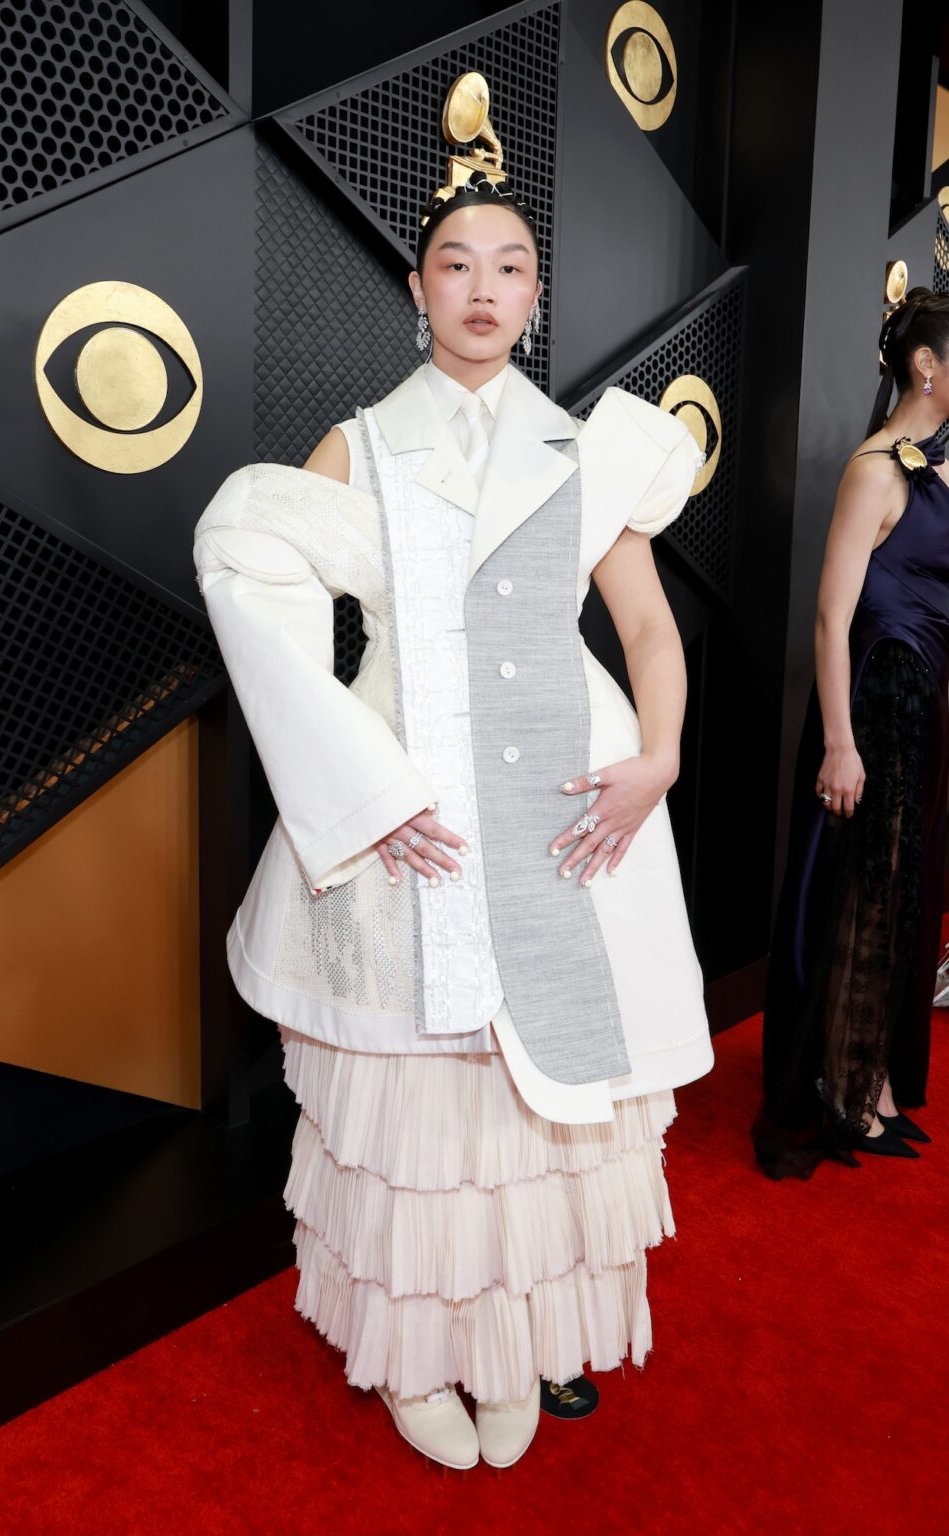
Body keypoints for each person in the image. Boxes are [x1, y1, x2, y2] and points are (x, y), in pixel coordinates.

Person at [193, 100, 713, 1470]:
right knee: (419, 1105)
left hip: (565, 804)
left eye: (510, 268)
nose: (483, 289)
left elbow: (650, 633)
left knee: (538, 1097)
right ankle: (418, 1349)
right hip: (405, 808)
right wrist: (357, 788)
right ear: (418, 288)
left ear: (535, 297)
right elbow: (272, 623)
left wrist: (657, 756)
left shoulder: (586, 448)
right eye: (457, 265)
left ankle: (517, 1339)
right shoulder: (356, 446)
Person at [754, 287, 949, 1179]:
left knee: (897, 897)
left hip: (923, 708)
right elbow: (832, 617)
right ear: (927, 366)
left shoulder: (935, 464)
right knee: (858, 897)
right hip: (872, 705)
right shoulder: (877, 468)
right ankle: (838, 1085)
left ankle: (870, 1080)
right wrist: (838, 740)